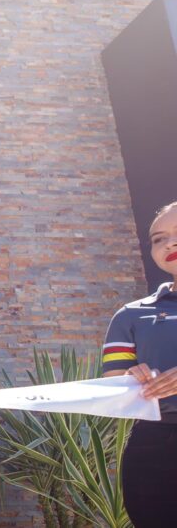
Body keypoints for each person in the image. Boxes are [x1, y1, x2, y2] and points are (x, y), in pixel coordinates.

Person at [103, 201, 177, 528]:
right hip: (154, 444)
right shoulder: (130, 316)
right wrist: (132, 378)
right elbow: (115, 383)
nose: (169, 244)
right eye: (159, 239)